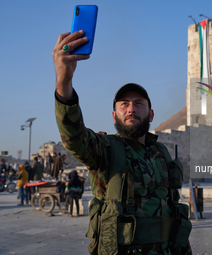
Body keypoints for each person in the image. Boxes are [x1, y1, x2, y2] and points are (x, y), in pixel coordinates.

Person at [53, 31, 192, 254]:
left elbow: (173, 210)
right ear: (114, 115)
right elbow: (74, 137)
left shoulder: (162, 153)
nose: (131, 108)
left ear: (151, 114)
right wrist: (64, 80)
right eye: (124, 104)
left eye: (138, 103)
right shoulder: (106, 150)